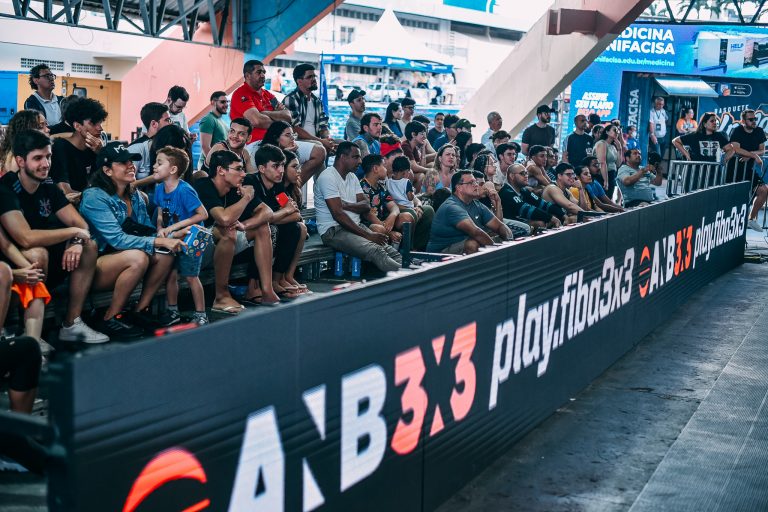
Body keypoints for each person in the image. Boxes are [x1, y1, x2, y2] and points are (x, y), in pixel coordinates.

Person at [0, 130, 109, 343]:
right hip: (16, 263)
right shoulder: (6, 188)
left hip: (43, 260)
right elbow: (25, 238)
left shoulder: (48, 186)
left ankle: (71, 323)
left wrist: (76, 241)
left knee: (88, 246)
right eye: (37, 158)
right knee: (37, 254)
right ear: (21, 161)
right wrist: (73, 232)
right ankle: (29, 333)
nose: (45, 164)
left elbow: (80, 224)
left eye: (48, 157)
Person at [80, 142, 185, 337]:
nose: (130, 165)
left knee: (166, 253)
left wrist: (171, 236)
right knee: (139, 257)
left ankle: (138, 311)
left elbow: (146, 231)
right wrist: (159, 241)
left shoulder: (134, 194)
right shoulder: (94, 196)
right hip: (93, 266)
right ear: (107, 170)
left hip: (124, 257)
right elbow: (117, 240)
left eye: (131, 161)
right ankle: (110, 317)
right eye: (123, 162)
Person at [194, 149, 279, 311]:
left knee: (262, 227)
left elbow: (267, 212)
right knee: (227, 230)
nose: (243, 174)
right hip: (195, 250)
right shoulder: (204, 185)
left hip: (222, 249)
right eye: (238, 169)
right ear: (221, 170)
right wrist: (247, 197)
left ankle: (267, 290)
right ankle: (221, 297)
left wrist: (245, 225)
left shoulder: (234, 188)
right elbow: (224, 218)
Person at [314, 141, 402, 271]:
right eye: (355, 157)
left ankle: (409, 274)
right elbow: (338, 214)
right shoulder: (328, 177)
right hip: (334, 231)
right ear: (342, 157)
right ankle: (410, 278)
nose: (360, 161)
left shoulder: (352, 177)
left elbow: (366, 205)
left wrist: (346, 205)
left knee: (392, 252)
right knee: (376, 250)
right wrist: (368, 236)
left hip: (355, 226)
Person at [152, 146, 209, 326]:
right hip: (173, 238)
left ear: (173, 169)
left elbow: (203, 214)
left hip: (191, 239)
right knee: (170, 274)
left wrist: (172, 227)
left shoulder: (184, 190)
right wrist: (160, 226)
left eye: (159, 163)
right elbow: (160, 211)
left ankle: (201, 314)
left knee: (191, 276)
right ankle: (173, 311)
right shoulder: (159, 189)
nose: (154, 166)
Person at [246, 144, 307, 298]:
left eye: (282, 165)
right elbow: (260, 218)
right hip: (248, 231)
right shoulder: (251, 182)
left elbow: (295, 214)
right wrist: (284, 212)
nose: (281, 170)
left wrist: (273, 217)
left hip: (267, 227)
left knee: (295, 228)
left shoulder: (277, 186)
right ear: (262, 168)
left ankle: (277, 279)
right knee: (269, 229)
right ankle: (253, 286)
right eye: (275, 166)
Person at [427, 170, 512, 254]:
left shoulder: (476, 204)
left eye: (475, 182)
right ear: (459, 187)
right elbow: (476, 233)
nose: (476, 185)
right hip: (440, 253)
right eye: (471, 183)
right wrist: (498, 253)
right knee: (472, 244)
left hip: (463, 243)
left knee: (501, 235)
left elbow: (499, 226)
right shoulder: (451, 207)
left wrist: (510, 242)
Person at [50, 97, 108, 202]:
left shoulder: (95, 148)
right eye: (93, 123)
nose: (100, 128)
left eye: (100, 123)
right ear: (77, 126)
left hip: (91, 201)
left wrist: (101, 153)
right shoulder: (61, 147)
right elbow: (66, 191)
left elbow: (107, 183)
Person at [230, 60, 292, 144]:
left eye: (264, 72)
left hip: (276, 142)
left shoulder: (268, 94)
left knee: (310, 147)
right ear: (248, 75)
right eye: (259, 72)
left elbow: (287, 116)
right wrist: (277, 117)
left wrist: (263, 113)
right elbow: (257, 121)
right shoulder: (241, 94)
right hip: (254, 144)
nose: (263, 75)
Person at [360, 154, 412, 245]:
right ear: (375, 169)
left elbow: (394, 206)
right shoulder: (362, 187)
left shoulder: (381, 187)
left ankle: (406, 249)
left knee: (407, 217)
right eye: (384, 166)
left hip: (384, 222)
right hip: (368, 224)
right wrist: (389, 233)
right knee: (379, 229)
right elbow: (368, 215)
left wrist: (392, 215)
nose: (386, 169)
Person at [728, 110, 766, 231]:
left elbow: (762, 150)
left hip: (748, 169)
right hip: (733, 169)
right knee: (734, 199)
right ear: (743, 121)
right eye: (751, 119)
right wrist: (753, 155)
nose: (754, 121)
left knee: (764, 190)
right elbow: (736, 149)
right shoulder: (737, 130)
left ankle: (751, 219)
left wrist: (751, 154)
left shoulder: (759, 131)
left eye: (755, 119)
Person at [283, 64, 334, 153]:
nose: (314, 79)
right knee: (320, 147)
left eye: (314, 76)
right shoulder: (291, 99)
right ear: (299, 81)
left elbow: (323, 126)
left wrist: (327, 139)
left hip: (316, 141)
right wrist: (322, 141)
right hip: (297, 141)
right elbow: (296, 129)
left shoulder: (317, 101)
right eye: (309, 77)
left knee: (344, 145)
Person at [256, 120, 326, 186]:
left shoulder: (292, 148)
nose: (292, 138)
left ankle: (294, 189)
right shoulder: (261, 152)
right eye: (287, 135)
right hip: (265, 187)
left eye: (293, 135)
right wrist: (284, 153)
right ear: (275, 137)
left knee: (319, 149)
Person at [386, 155, 434, 251]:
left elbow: (415, 199)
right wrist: (411, 194)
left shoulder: (392, 182)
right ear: (406, 172)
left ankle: (420, 246)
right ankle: (408, 248)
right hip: (398, 210)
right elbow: (409, 197)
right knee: (411, 213)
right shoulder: (389, 182)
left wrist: (419, 206)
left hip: (408, 208)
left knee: (428, 210)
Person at [499, 163, 563, 228]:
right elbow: (528, 210)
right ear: (512, 176)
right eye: (522, 173)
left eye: (526, 173)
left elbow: (543, 204)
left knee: (553, 215)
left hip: (519, 220)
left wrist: (563, 214)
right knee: (540, 223)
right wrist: (551, 218)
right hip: (506, 225)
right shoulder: (506, 192)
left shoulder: (523, 190)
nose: (526, 176)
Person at [127, 102, 172, 184]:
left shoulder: (166, 145)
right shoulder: (136, 149)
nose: (171, 123)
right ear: (154, 124)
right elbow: (128, 183)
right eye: (167, 120)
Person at [0, 110, 49, 175]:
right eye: (41, 126)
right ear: (27, 129)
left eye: (46, 125)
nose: (48, 129)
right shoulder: (16, 161)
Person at [199, 91, 230, 159]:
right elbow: (205, 147)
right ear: (213, 102)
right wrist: (214, 163)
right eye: (222, 102)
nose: (226, 104)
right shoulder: (208, 120)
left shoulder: (221, 120)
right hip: (213, 163)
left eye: (227, 102)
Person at [402, 121, 431, 192]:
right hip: (401, 175)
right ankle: (416, 196)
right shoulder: (405, 146)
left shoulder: (413, 147)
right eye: (422, 134)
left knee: (425, 172)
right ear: (413, 134)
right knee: (421, 176)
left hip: (409, 174)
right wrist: (430, 170)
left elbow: (422, 166)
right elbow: (414, 167)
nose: (425, 137)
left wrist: (423, 149)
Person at [593, 123, 620, 198]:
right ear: (607, 132)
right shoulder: (602, 143)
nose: (617, 132)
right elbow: (602, 162)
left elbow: (618, 164)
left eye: (618, 131)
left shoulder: (613, 146)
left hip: (612, 175)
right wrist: (605, 180)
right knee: (603, 198)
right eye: (614, 130)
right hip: (602, 175)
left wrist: (619, 149)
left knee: (609, 198)